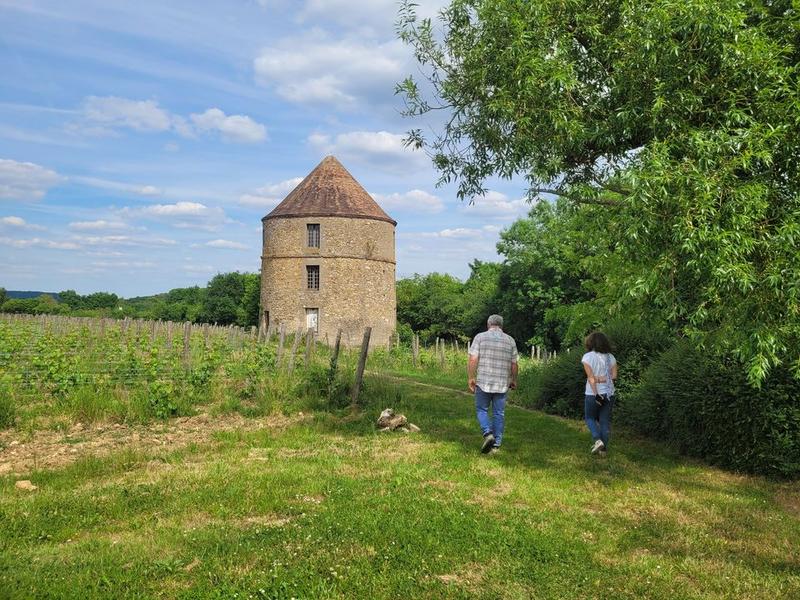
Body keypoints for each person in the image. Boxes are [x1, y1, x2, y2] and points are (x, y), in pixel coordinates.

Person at [468, 314, 518, 454]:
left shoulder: (480, 337)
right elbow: (514, 364)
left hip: (484, 381)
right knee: (499, 413)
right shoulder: (510, 340)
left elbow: (473, 359)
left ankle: (487, 433)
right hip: (502, 383)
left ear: (488, 324)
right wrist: (513, 380)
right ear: (501, 325)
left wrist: (471, 377)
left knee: (481, 410)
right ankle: (496, 445)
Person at [581, 331, 618, 455]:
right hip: (609, 393)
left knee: (589, 418)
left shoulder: (587, 357)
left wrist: (596, 392)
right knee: (604, 421)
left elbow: (591, 378)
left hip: (593, 394)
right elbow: (614, 376)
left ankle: (597, 440)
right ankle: (603, 451)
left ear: (590, 342)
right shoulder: (611, 357)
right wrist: (603, 378)